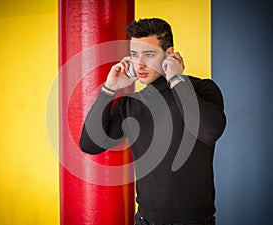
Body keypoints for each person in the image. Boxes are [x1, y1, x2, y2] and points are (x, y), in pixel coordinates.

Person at [79, 18, 226, 225]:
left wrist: (176, 79)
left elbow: (208, 131)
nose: (139, 64)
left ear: (169, 52)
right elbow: (89, 144)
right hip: (146, 221)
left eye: (148, 54)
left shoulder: (202, 89)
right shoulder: (130, 104)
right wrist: (109, 88)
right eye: (134, 55)